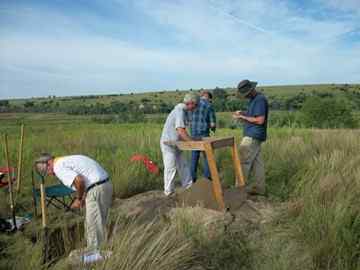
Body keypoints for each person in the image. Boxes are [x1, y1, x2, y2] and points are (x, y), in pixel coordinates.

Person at [34, 153, 113, 250]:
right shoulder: (65, 160)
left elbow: (79, 181)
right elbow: (85, 179)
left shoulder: (58, 167)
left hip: (97, 189)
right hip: (104, 185)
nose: (49, 174)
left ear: (49, 162)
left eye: (46, 170)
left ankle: (95, 255)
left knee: (93, 226)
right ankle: (101, 250)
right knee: (98, 223)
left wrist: (78, 199)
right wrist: (83, 197)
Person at [232, 80, 269, 195]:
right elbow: (253, 115)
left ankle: (238, 192)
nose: (245, 97)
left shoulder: (260, 100)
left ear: (250, 90)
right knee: (258, 163)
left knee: (243, 162)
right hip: (256, 135)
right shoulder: (254, 99)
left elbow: (260, 120)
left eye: (246, 94)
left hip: (252, 135)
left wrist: (243, 117)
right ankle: (259, 188)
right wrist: (242, 112)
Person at [160, 92, 199, 196]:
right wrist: (192, 142)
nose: (195, 107)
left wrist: (191, 140)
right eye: (195, 105)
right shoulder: (180, 110)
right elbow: (180, 130)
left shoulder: (185, 112)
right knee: (170, 168)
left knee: (183, 165)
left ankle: (189, 187)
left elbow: (182, 132)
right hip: (168, 143)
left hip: (176, 143)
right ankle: (168, 192)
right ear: (190, 103)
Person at [189, 90, 216, 181]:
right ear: (208, 97)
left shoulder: (193, 104)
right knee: (208, 156)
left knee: (194, 158)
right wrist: (212, 128)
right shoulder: (209, 106)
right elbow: (212, 124)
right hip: (204, 135)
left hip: (193, 135)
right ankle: (207, 179)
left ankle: (192, 180)